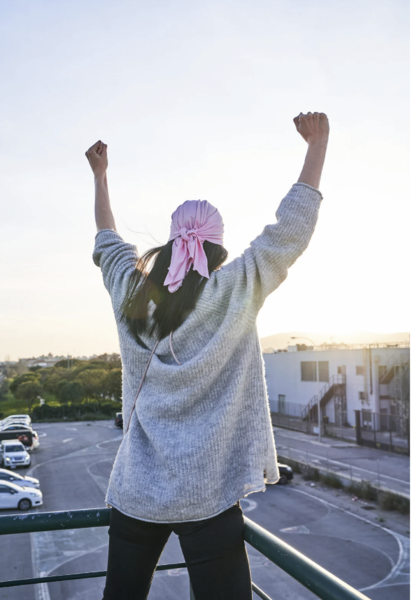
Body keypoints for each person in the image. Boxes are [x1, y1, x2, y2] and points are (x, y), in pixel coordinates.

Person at [86, 111, 329, 600]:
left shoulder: (131, 291)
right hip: (210, 499)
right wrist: (317, 144)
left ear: (174, 241)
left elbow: (108, 242)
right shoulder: (238, 287)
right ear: (216, 247)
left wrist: (100, 176)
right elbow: (290, 232)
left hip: (136, 495)